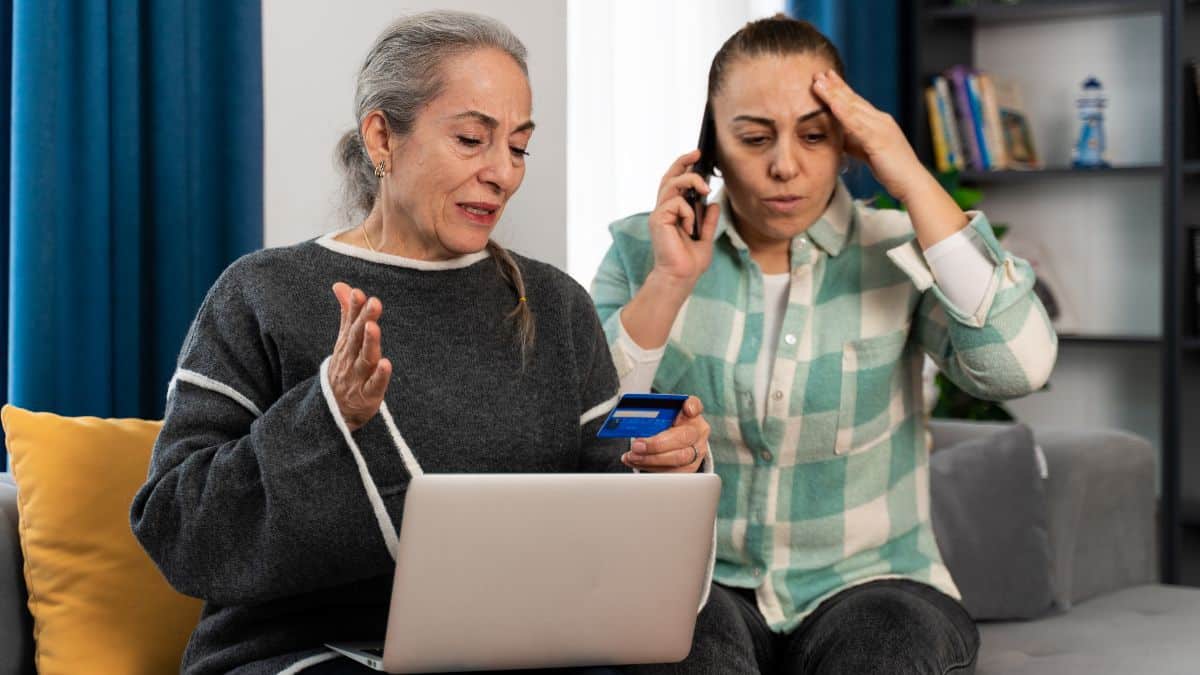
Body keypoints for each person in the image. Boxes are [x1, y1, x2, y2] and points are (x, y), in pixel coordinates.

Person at [130, 11, 712, 675]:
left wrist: (664, 469)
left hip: (520, 652)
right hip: (301, 654)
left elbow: (612, 522)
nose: (504, 173)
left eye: (519, 146)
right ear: (382, 136)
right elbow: (178, 529)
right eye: (472, 139)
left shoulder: (556, 307)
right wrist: (326, 415)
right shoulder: (261, 293)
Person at [592, 15, 1058, 675]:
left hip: (877, 581)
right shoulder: (644, 251)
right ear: (710, 148)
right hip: (699, 577)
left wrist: (911, 179)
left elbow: (1021, 364)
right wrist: (670, 282)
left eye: (814, 135)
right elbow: (586, 428)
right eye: (753, 138)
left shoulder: (900, 247)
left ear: (848, 141)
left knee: (879, 656)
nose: (785, 165)